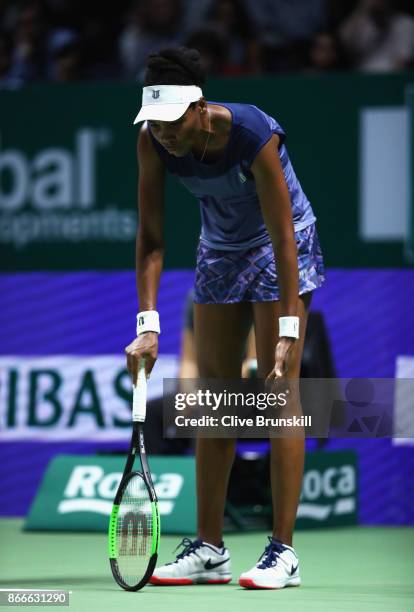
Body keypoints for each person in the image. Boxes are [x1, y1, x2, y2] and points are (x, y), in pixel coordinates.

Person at [125, 46, 325, 590]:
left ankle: (283, 551)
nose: (164, 133)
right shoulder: (152, 143)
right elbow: (151, 239)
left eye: (172, 123)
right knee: (214, 400)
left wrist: (287, 330)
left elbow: (283, 237)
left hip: (280, 246)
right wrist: (148, 323)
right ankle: (209, 547)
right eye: (155, 123)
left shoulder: (253, 133)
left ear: (199, 108)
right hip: (219, 248)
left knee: (277, 392)